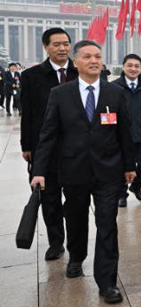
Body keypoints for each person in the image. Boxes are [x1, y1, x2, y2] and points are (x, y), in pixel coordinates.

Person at [30, 40, 135, 304]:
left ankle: (107, 282)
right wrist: (39, 170)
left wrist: (129, 166)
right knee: (76, 219)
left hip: (108, 171)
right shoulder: (60, 94)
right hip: (73, 169)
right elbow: (48, 135)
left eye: (97, 56)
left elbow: (125, 132)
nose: (93, 60)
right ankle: (76, 257)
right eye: (87, 56)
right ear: (75, 62)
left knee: (107, 224)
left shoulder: (115, 93)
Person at [20, 27, 78, 262]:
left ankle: (75, 240)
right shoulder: (32, 76)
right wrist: (27, 146)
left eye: (66, 44)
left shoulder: (80, 72)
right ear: (46, 47)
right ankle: (56, 242)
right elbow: (27, 113)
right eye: (56, 44)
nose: (62, 48)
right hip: (45, 148)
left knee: (75, 199)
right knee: (49, 198)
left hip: (76, 148)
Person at [113, 54, 141, 207]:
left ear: (140, 68)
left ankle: (136, 186)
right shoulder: (114, 86)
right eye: (130, 65)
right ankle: (122, 194)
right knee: (121, 165)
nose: (133, 69)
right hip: (120, 135)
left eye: (136, 66)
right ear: (123, 67)